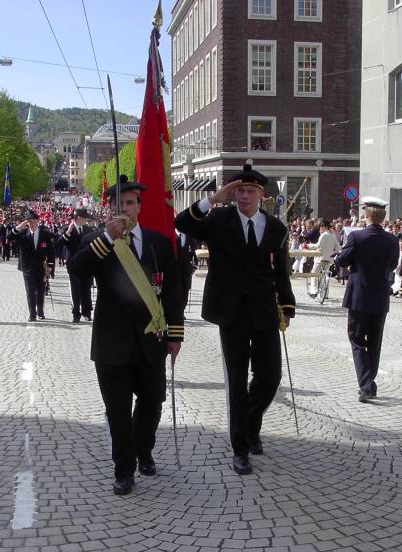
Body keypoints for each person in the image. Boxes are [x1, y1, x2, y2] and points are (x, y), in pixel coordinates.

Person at [175, 164, 295, 476]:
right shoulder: (218, 219)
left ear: (262, 195)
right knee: (237, 382)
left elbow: (280, 273)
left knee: (270, 378)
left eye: (249, 191)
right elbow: (182, 222)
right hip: (231, 312)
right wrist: (213, 198)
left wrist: (288, 306)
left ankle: (250, 424)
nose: (243, 196)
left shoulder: (275, 228)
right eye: (239, 190)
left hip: (264, 312)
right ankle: (240, 449)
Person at [68, 175, 184, 495]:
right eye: (119, 204)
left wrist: (175, 334)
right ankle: (123, 469)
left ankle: (143, 449)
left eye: (131, 203)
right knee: (117, 411)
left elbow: (173, 291)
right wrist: (107, 237)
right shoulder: (95, 240)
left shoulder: (159, 242)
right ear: (108, 208)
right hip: (111, 342)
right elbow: (76, 270)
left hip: (150, 339)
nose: (125, 209)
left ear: (140, 207)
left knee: (152, 404)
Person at [334, 197, 400, 402]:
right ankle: (369, 381)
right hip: (379, 295)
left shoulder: (357, 237)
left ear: (367, 215)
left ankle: (366, 383)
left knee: (356, 338)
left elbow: (342, 260)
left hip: (359, 295)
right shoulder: (392, 240)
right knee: (374, 341)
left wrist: (342, 257)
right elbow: (392, 265)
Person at [8, 210, 56, 322]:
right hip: (28, 267)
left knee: (40, 290)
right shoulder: (23, 234)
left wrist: (50, 265)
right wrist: (20, 226)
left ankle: (40, 311)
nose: (32, 223)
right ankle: (32, 313)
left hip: (41, 267)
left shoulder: (45, 234)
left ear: (38, 221)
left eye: (34, 221)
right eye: (30, 221)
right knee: (30, 291)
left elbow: (50, 251)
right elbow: (10, 237)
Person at [59, 208, 95, 322]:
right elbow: (59, 243)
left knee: (86, 288)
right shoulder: (68, 229)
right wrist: (68, 233)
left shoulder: (88, 229)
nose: (86, 220)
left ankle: (87, 312)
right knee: (75, 290)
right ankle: (76, 313)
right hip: (74, 264)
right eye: (85, 218)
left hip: (87, 263)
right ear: (79, 218)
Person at [307, 219, 341, 295]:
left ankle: (313, 290)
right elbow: (338, 247)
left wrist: (307, 245)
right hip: (329, 259)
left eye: (321, 227)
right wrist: (334, 254)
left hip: (320, 258)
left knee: (314, 274)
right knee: (325, 276)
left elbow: (317, 246)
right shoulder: (333, 235)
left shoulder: (324, 235)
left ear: (324, 227)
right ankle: (326, 294)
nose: (320, 229)